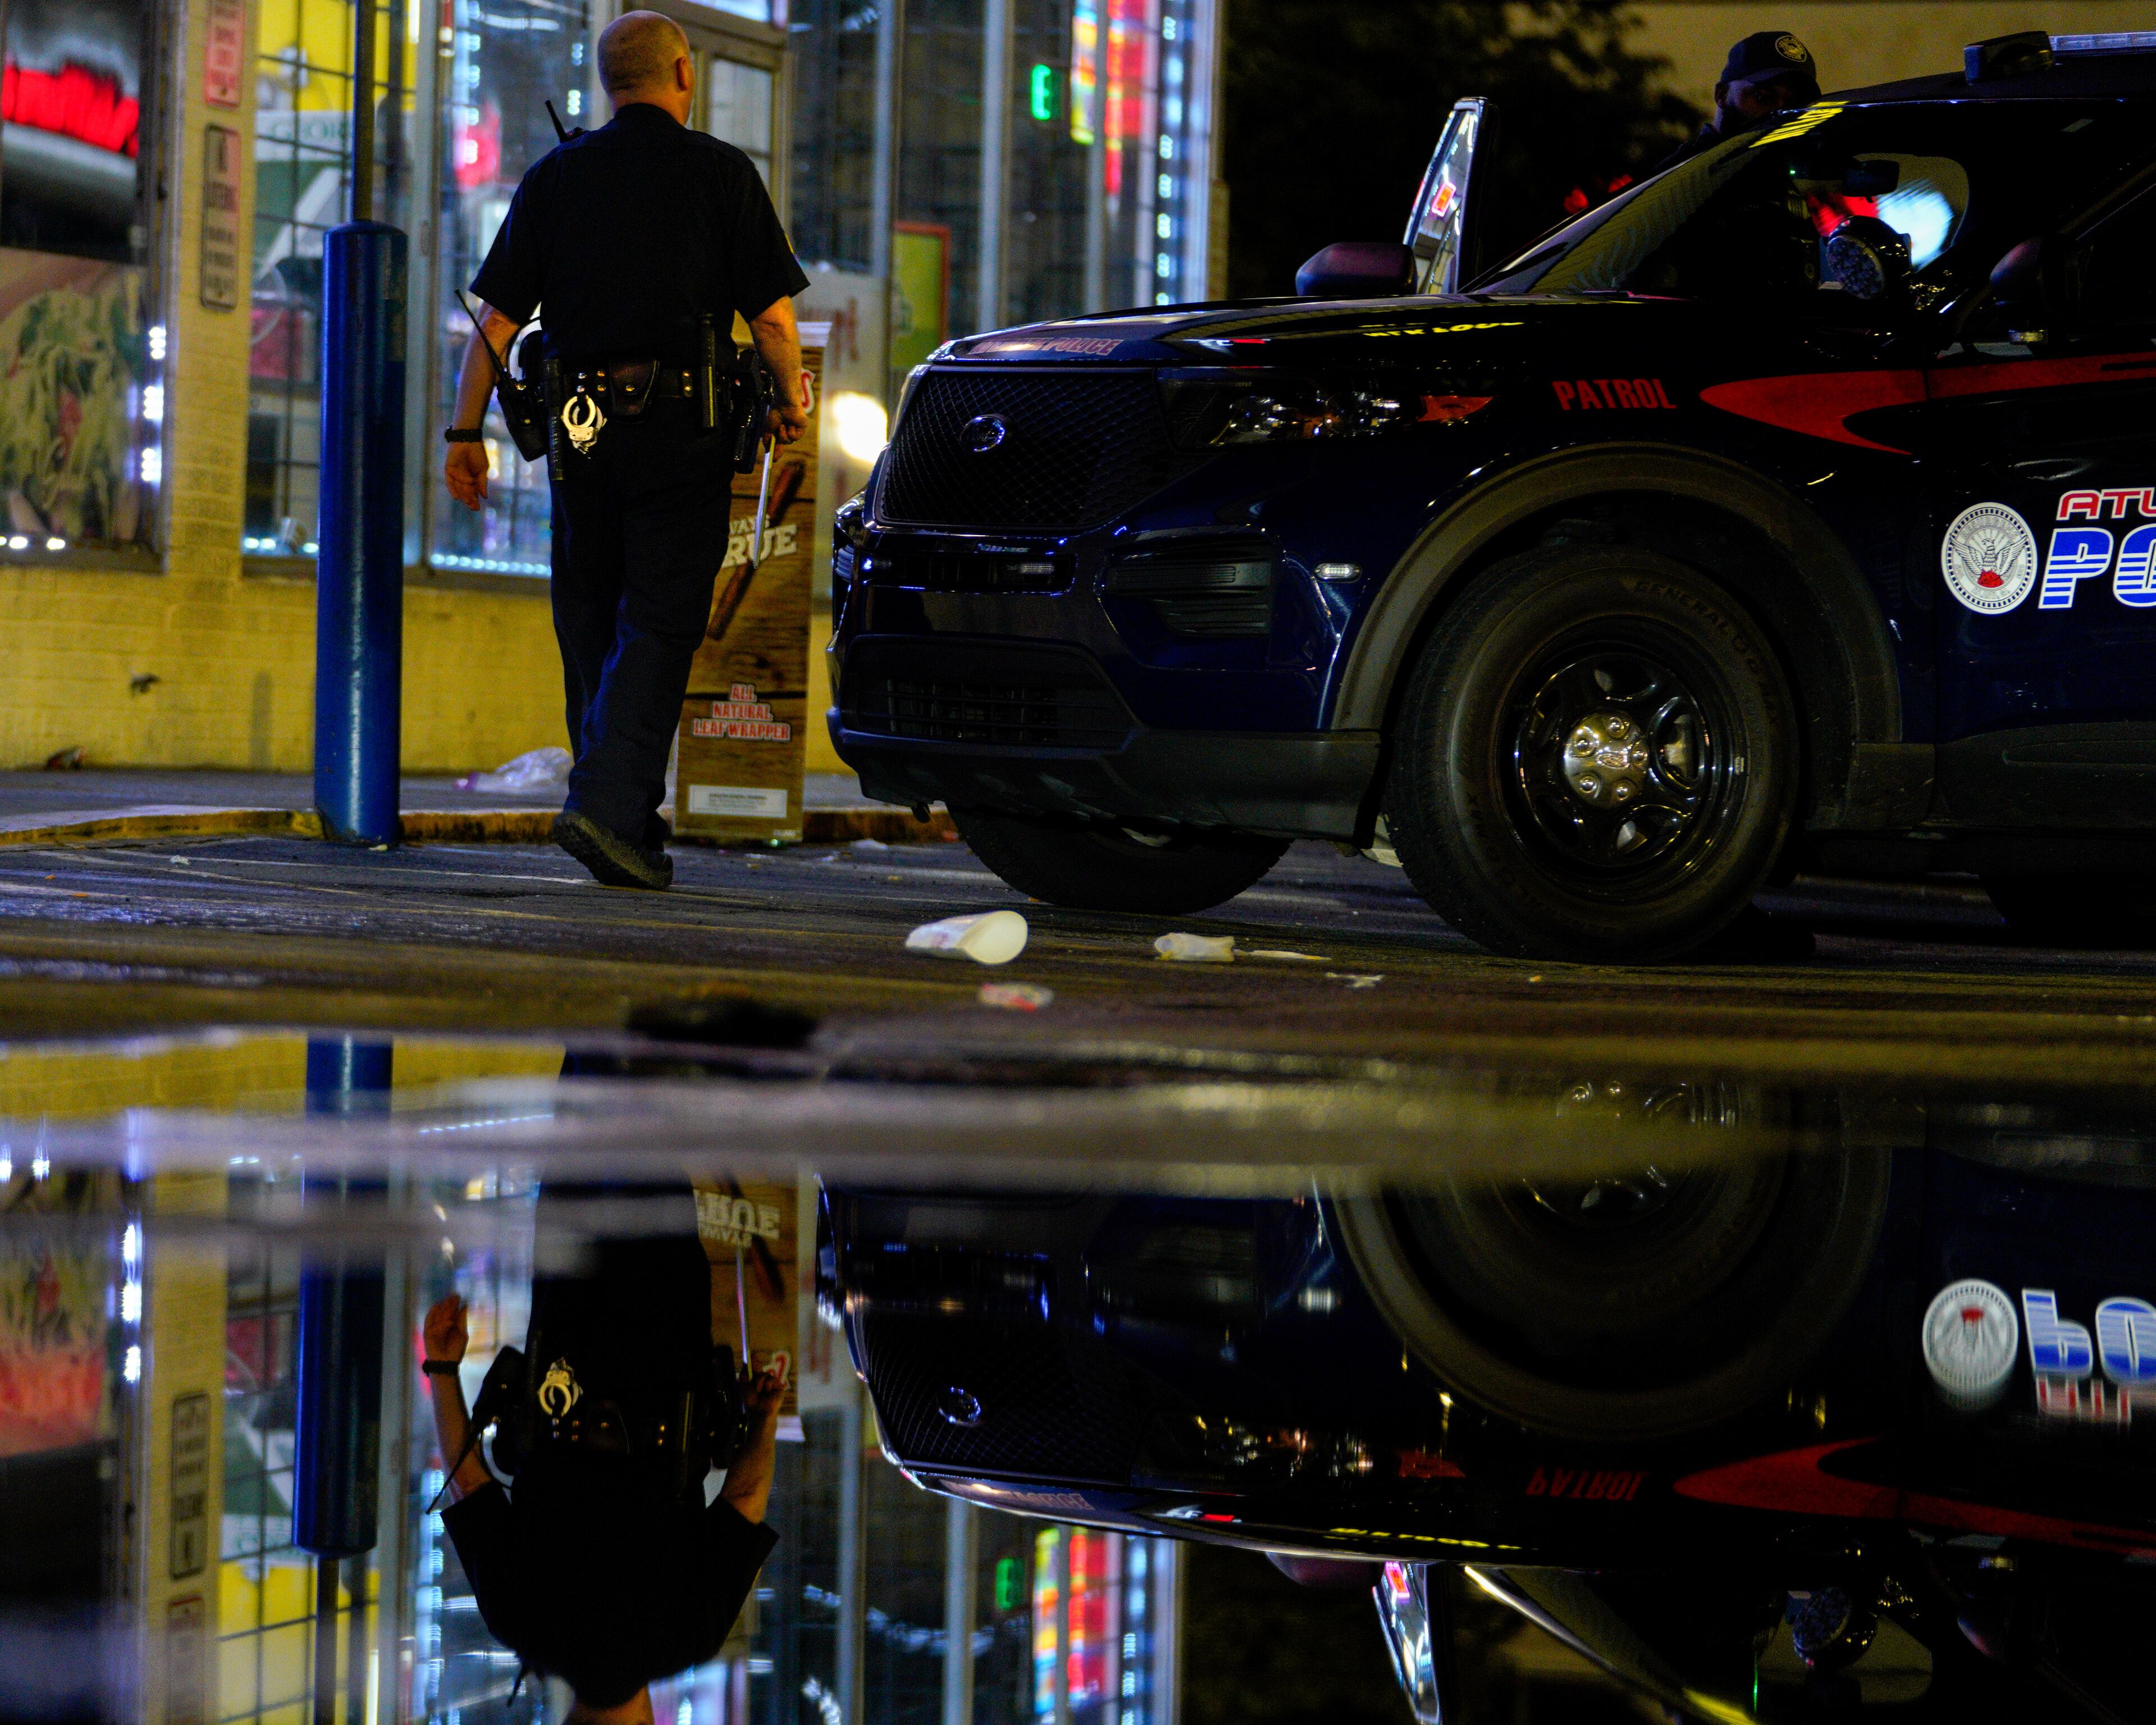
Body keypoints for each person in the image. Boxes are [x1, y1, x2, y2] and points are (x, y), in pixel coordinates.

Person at [442, 10, 811, 891]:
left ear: (612, 83)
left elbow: (494, 324)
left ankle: (624, 826)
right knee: (661, 617)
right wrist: (790, 398)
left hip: (579, 430)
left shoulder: (555, 178)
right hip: (681, 427)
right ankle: (605, 804)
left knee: (590, 618)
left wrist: (464, 434)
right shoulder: (721, 175)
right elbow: (771, 318)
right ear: (684, 72)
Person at [421, 1192, 787, 1723]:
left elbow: (746, 1497)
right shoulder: (521, 1624)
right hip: (568, 1339)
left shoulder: (687, 1636)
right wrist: (442, 1367)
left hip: (668, 1340)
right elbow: (469, 1484)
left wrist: (764, 1417)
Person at [1655, 31, 1821, 172]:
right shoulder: (1680, 175)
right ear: (1722, 95)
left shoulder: (1787, 177)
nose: (1780, 113)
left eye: (1794, 105)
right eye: (1762, 97)